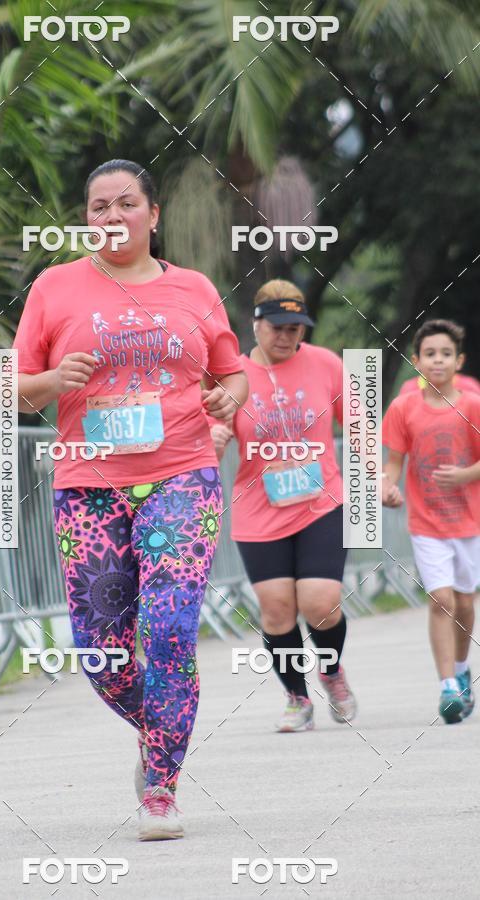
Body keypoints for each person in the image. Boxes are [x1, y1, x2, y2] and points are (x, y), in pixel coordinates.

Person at [13, 159, 248, 839]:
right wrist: (54, 379)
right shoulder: (54, 288)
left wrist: (226, 403)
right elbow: (9, 390)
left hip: (182, 475)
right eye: (98, 207)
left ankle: (161, 791)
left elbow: (233, 375)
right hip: (89, 489)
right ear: (85, 218)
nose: (112, 216)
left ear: (153, 214)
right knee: (103, 656)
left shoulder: (194, 289)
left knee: (169, 630)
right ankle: (160, 733)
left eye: (125, 203)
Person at [211, 279, 356, 732]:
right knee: (276, 608)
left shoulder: (326, 364)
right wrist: (214, 439)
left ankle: (331, 671)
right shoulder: (232, 374)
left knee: (320, 602)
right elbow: (207, 436)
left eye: (295, 328)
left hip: (322, 502)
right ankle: (297, 697)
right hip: (258, 508)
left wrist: (379, 477)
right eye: (277, 327)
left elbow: (359, 426)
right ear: (255, 324)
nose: (286, 336)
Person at [382, 319, 480, 724]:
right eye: (429, 354)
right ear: (416, 361)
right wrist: (387, 486)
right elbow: (393, 463)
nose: (437, 361)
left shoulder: (472, 406)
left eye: (445, 354)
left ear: (459, 361)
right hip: (426, 524)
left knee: (465, 603)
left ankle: (461, 668)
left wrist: (465, 475)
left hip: (469, 524)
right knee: (441, 599)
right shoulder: (403, 408)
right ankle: (447, 687)